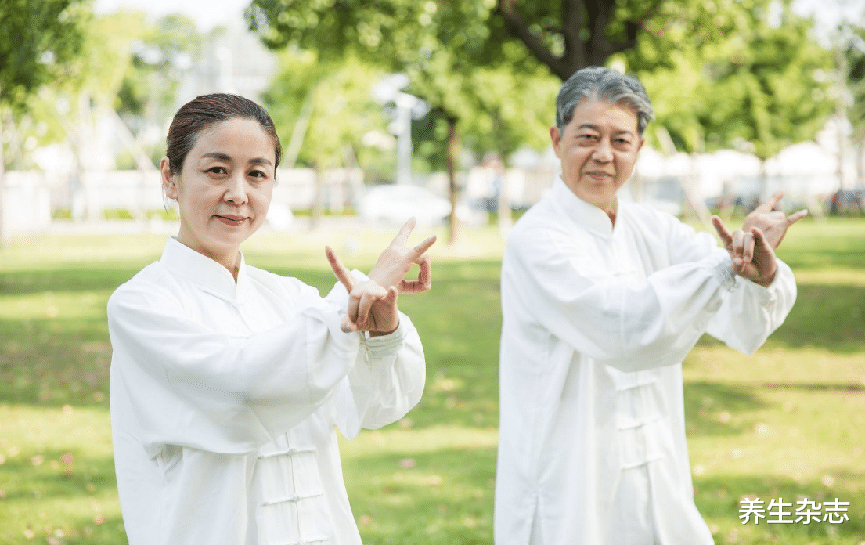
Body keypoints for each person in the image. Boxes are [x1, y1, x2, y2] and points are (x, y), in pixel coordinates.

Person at [494, 67, 807, 545]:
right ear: (557, 141)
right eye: (588, 137)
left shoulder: (652, 229)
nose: (603, 155)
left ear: (639, 149)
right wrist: (726, 266)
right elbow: (622, 325)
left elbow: (738, 309)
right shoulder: (537, 239)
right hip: (570, 478)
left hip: (656, 468)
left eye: (620, 141)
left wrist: (756, 265)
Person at [107, 93, 436, 545]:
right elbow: (241, 392)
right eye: (217, 170)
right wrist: (344, 309)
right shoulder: (143, 307)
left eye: (257, 173)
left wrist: (379, 330)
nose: (238, 194)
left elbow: (376, 405)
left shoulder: (293, 298)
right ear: (170, 177)